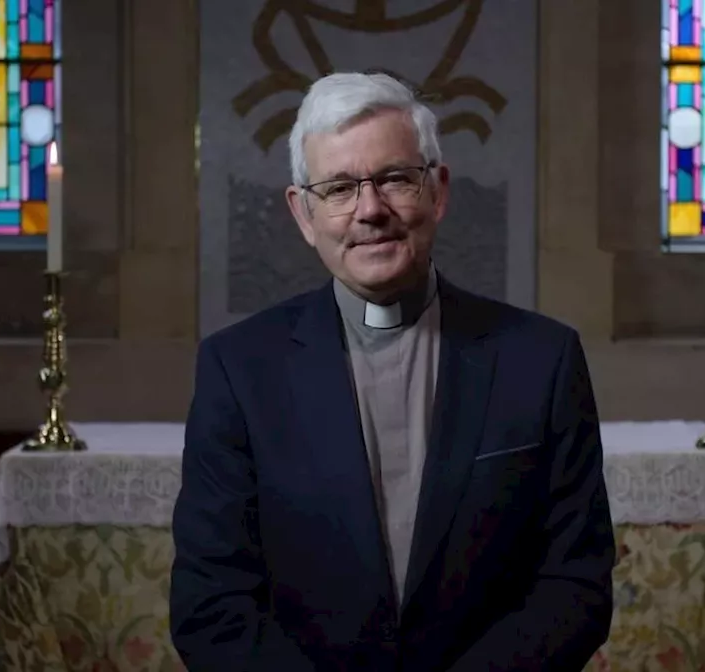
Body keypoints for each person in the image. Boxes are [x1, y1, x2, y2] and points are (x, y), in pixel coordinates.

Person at [170, 72, 615, 671]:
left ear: (438, 191)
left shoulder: (542, 359)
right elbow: (211, 605)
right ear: (303, 213)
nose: (370, 210)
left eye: (395, 179)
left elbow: (575, 584)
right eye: (338, 189)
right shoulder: (239, 370)